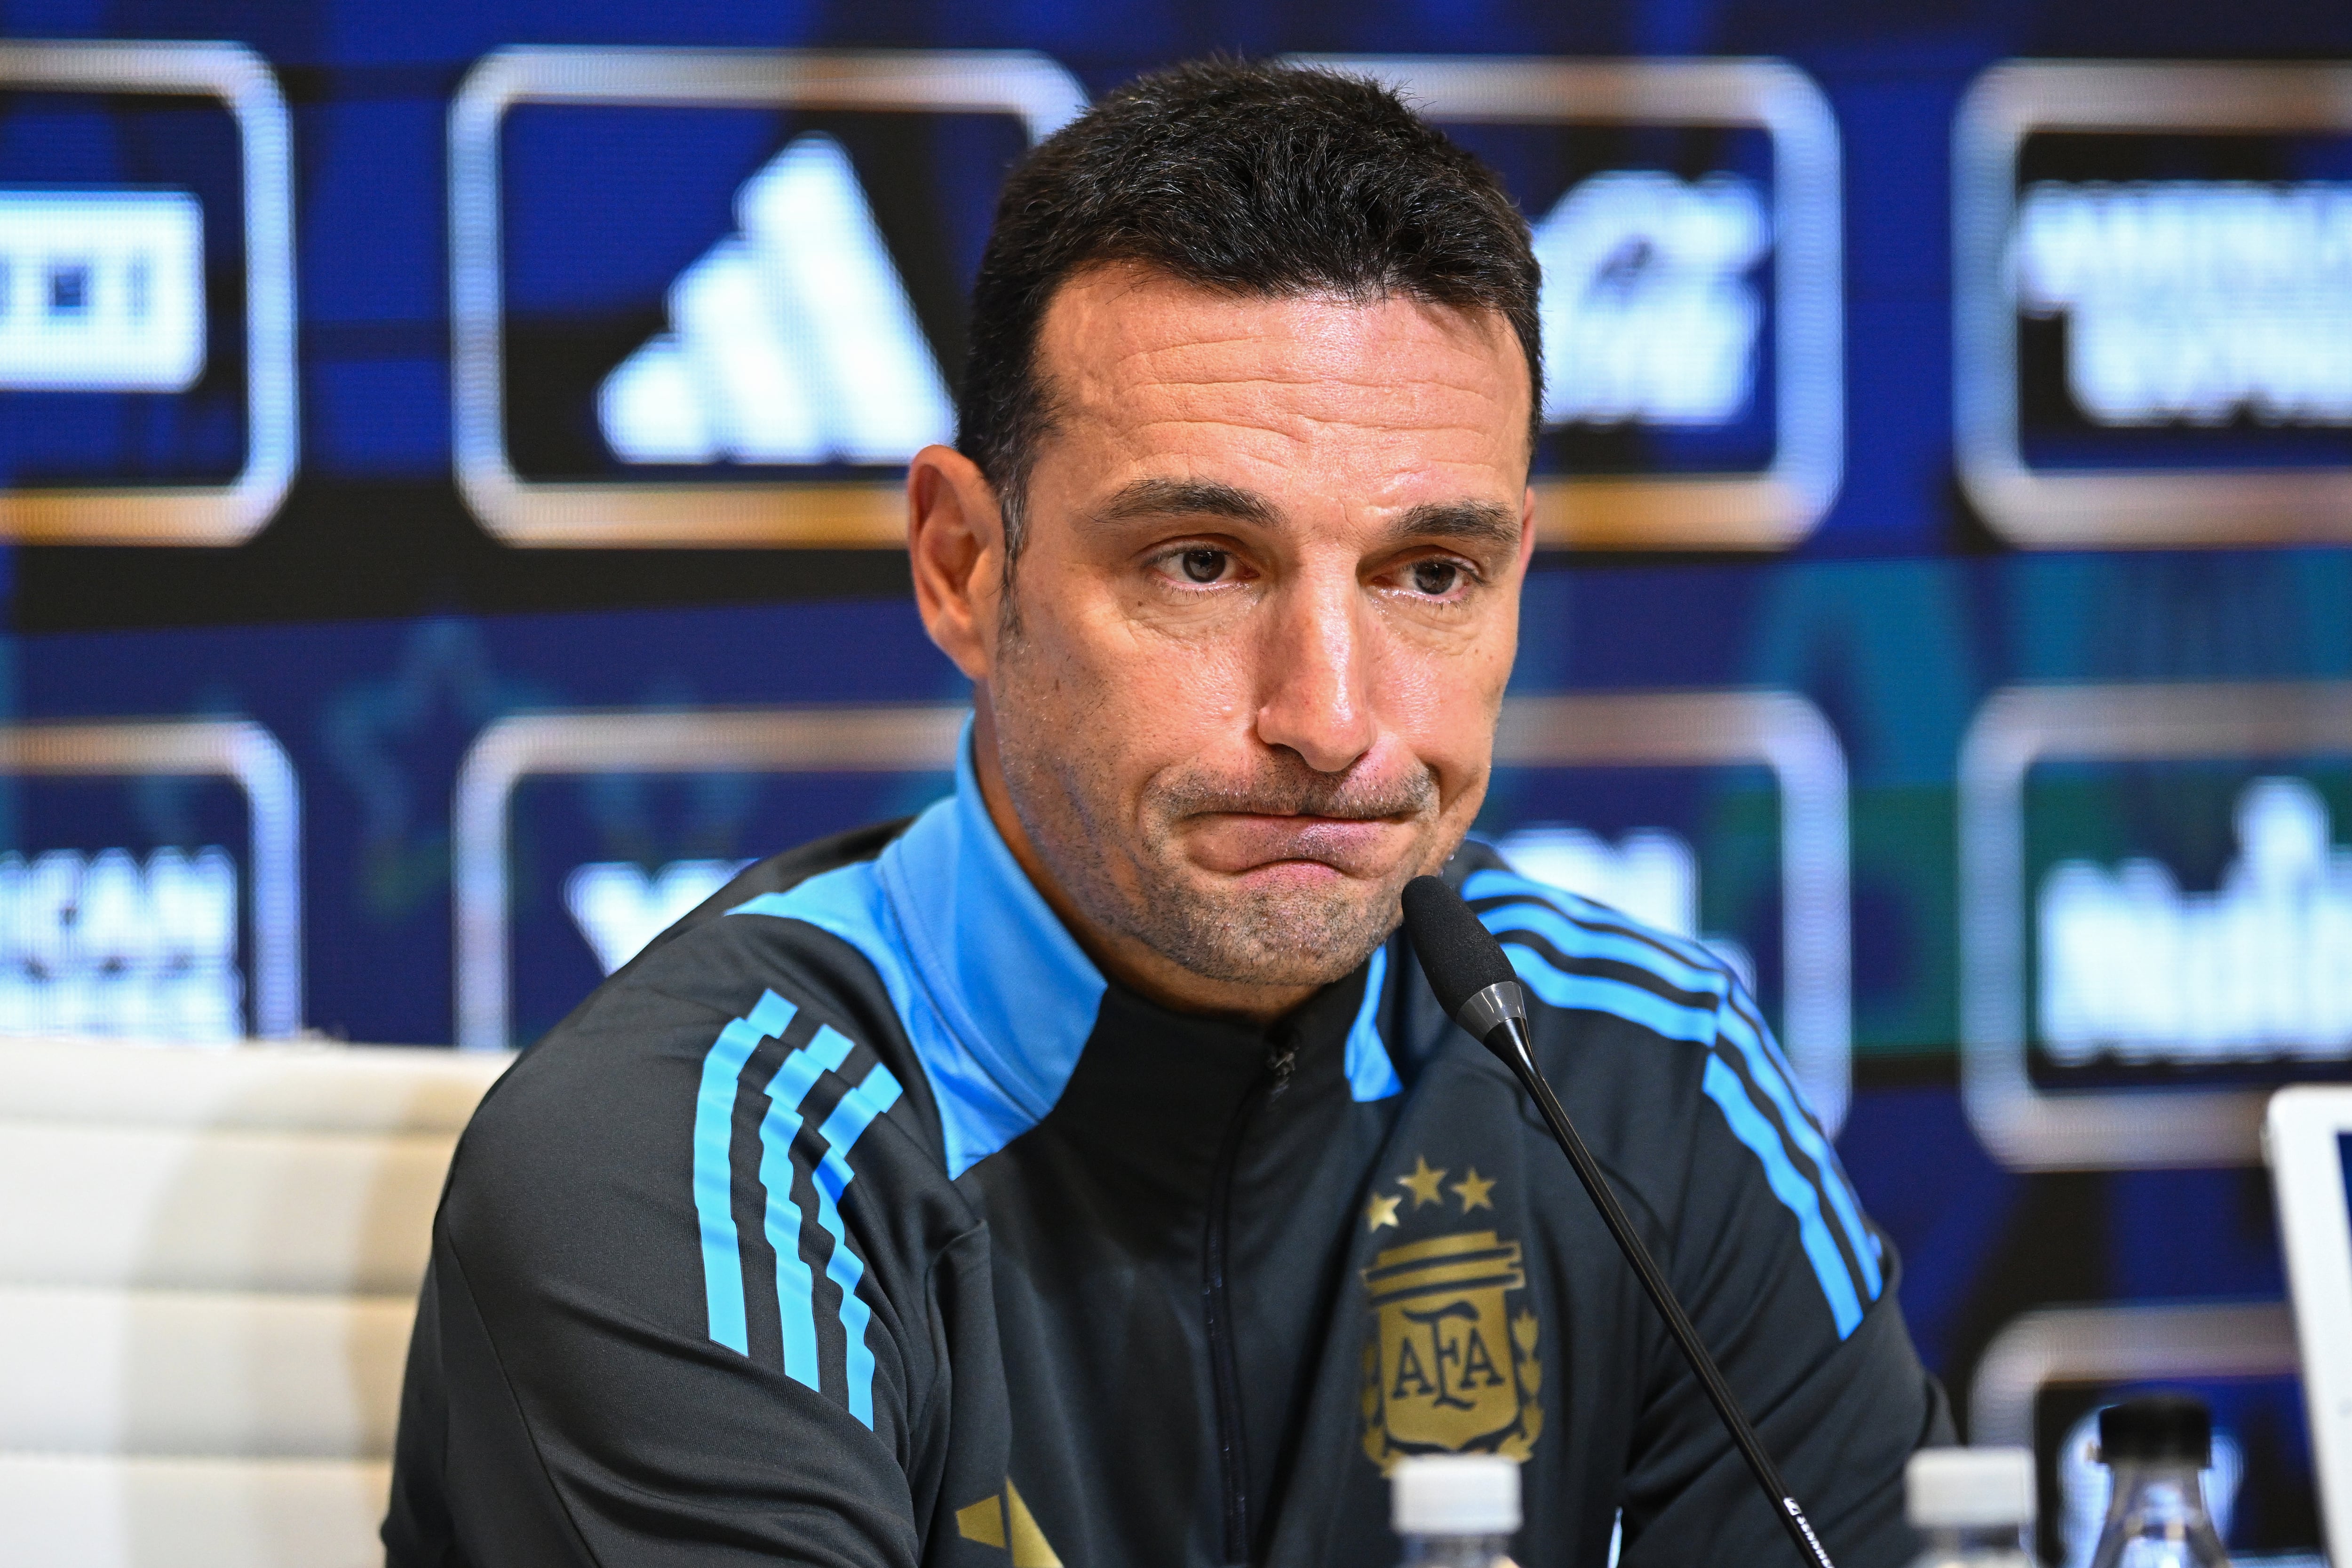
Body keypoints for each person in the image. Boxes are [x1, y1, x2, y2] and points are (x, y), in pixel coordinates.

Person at [384, 59, 1950, 1568]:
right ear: (962, 567)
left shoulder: (1642, 1080)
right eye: (1203, 562)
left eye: (1429, 576)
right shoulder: (693, 1159)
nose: (1333, 719)